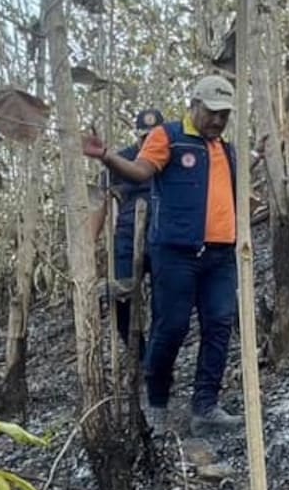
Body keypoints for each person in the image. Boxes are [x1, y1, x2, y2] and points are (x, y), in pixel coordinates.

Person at [83, 75, 243, 436]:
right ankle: (156, 403)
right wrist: (107, 156)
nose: (218, 121)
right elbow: (140, 170)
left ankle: (206, 406)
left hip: (220, 256)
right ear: (195, 106)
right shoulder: (167, 137)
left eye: (224, 115)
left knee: (219, 325)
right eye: (212, 113)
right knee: (170, 327)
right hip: (175, 252)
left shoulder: (225, 149)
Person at [88, 108, 164, 356]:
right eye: (144, 138)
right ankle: (139, 354)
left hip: (164, 239)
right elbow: (101, 203)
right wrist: (90, 243)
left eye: (154, 137)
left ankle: (157, 355)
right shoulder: (120, 161)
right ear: (137, 136)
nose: (148, 143)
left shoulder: (171, 158)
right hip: (127, 240)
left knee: (166, 300)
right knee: (120, 297)